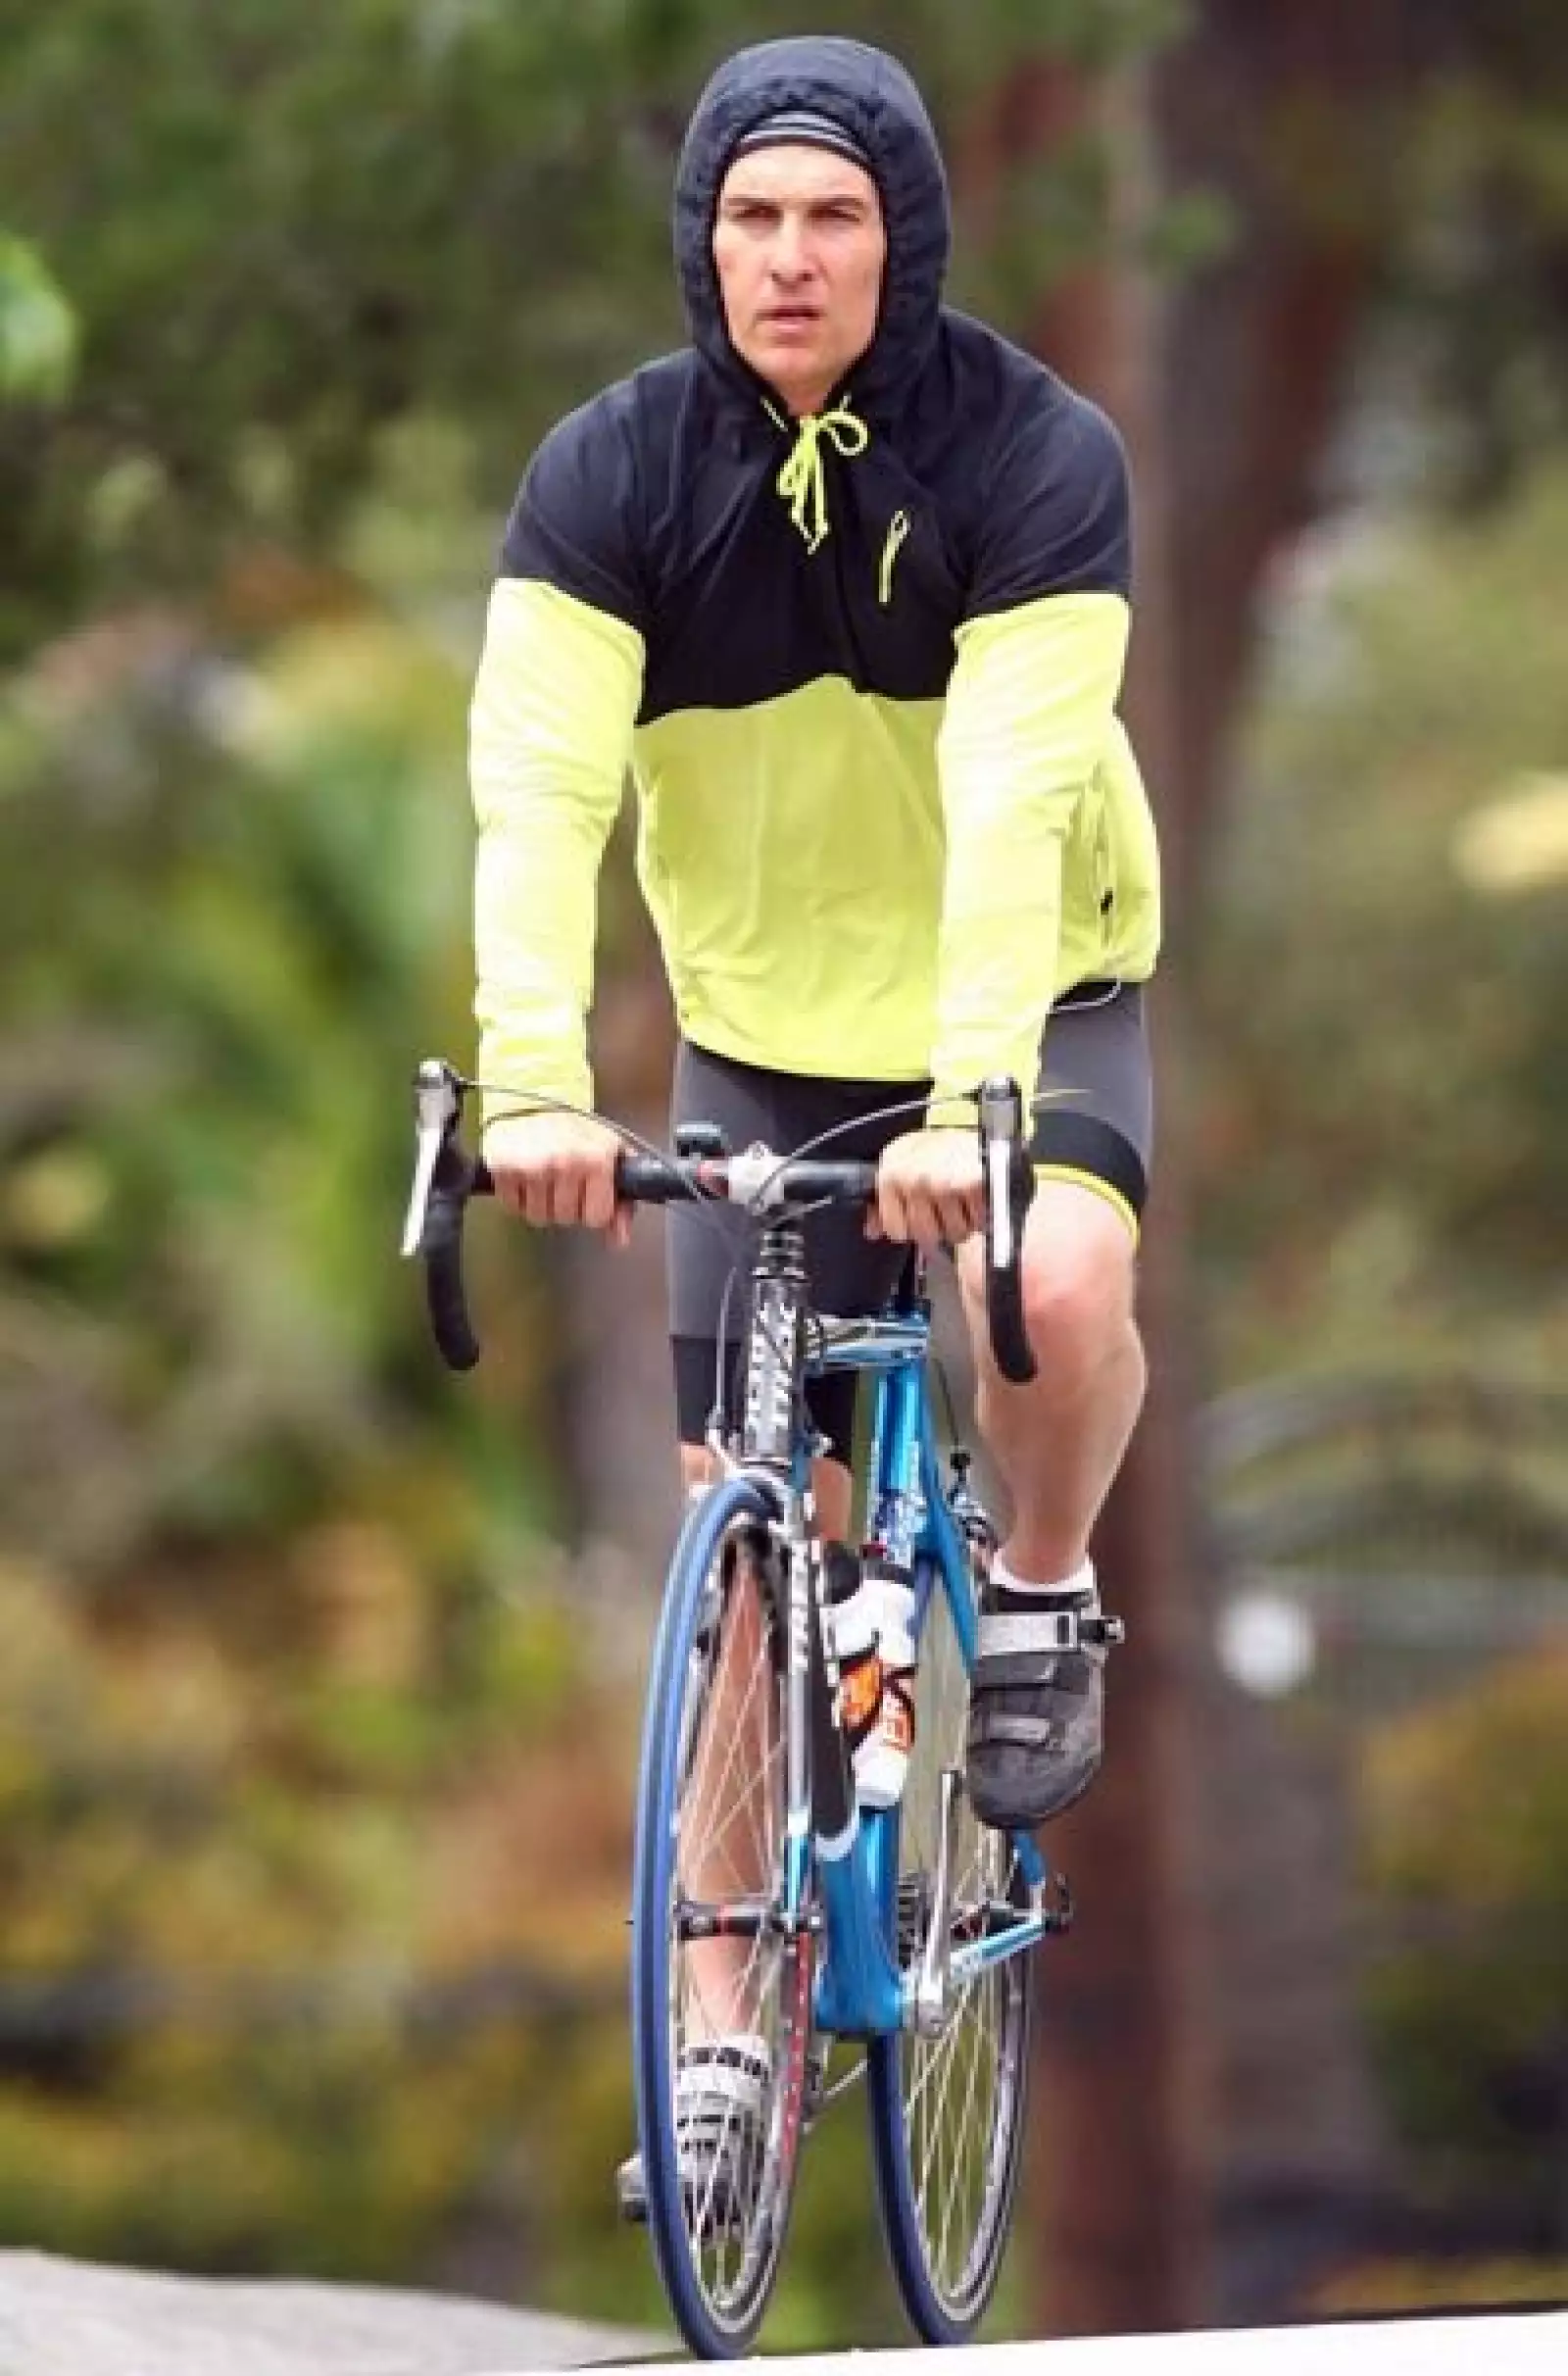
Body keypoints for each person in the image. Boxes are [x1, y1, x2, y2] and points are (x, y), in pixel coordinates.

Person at [469, 31, 1160, 2203]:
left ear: (900, 239)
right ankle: (717, 2054)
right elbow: (537, 798)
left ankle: (1036, 1585)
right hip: (764, 1029)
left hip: (1025, 988)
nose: (788, 258)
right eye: (751, 217)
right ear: (704, 241)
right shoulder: (605, 478)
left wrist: (975, 1099)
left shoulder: (1032, 455)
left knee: (1047, 1269)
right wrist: (531, 1088)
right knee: (747, 1560)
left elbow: (1011, 803)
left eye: (833, 217)